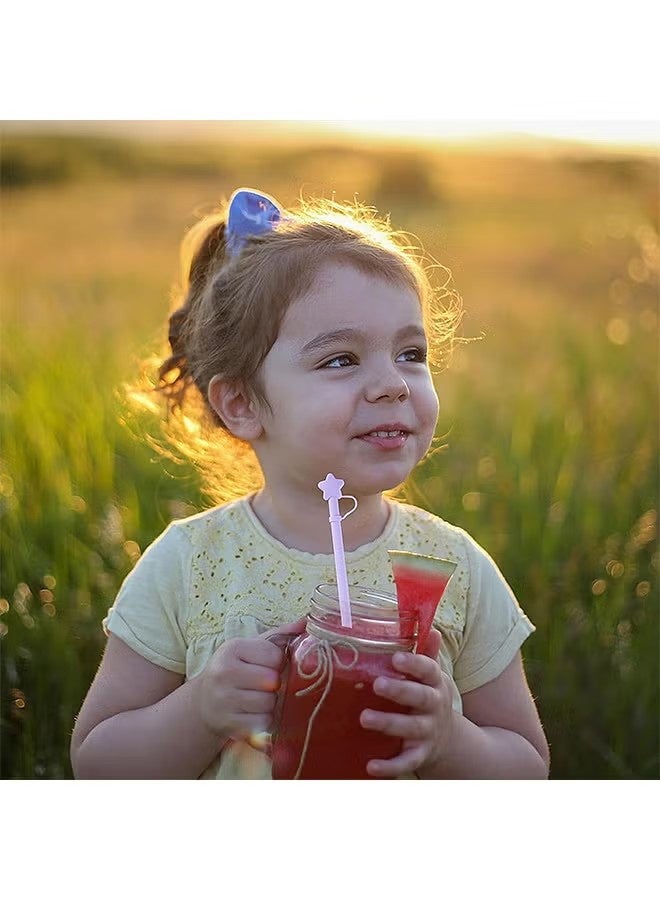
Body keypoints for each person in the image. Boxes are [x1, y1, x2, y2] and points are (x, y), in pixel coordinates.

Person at [70, 188, 550, 779]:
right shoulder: (189, 563)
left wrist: (450, 740)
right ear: (242, 403)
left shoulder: (450, 567)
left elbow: (527, 767)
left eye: (411, 353)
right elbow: (96, 762)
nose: (392, 384)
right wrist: (200, 710)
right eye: (341, 359)